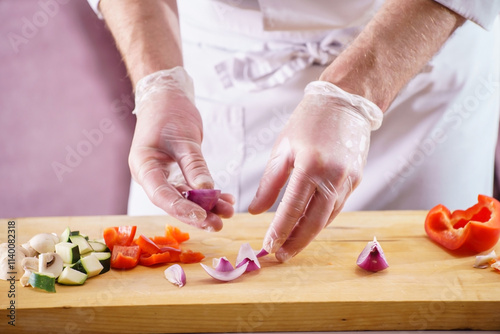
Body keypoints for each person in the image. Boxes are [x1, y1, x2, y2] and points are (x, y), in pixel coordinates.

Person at [87, 0, 500, 262]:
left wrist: (353, 97)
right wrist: (160, 83)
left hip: (414, 57)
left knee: (421, 287)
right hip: (210, 62)